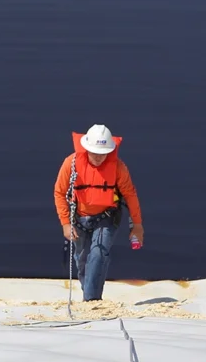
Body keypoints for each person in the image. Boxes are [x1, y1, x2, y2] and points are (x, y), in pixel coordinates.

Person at [53, 124, 144, 301]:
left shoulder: (118, 167)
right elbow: (59, 192)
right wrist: (65, 223)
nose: (98, 157)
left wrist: (137, 225)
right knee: (82, 260)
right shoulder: (70, 164)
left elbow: (130, 194)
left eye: (103, 153)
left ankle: (91, 301)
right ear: (86, 148)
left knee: (98, 254)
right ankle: (90, 293)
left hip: (106, 217)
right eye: (94, 152)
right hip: (78, 219)